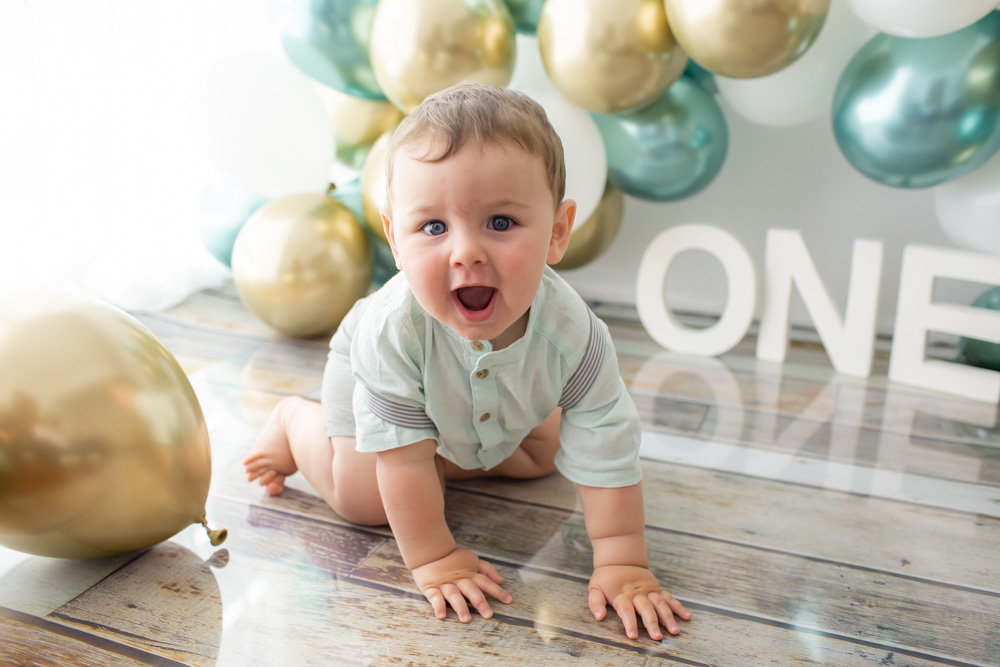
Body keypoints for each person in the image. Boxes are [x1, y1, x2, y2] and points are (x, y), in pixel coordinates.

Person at [244, 82, 691, 641]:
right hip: (377, 381)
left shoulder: (573, 333)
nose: (466, 251)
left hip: (462, 400)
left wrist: (623, 561)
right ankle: (293, 422)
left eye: (500, 223)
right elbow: (401, 464)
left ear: (557, 232)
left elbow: (605, 438)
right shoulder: (392, 332)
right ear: (396, 239)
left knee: (544, 454)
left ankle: (447, 449)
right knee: (365, 497)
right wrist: (436, 558)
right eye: (433, 227)